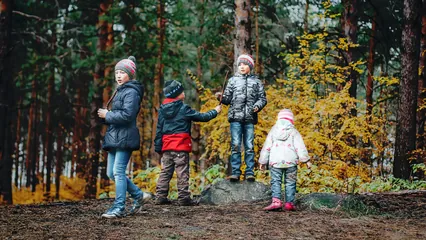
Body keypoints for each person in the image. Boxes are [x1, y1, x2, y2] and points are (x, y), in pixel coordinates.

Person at [97, 56, 151, 218]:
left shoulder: (132, 92)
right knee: (110, 173)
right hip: (115, 137)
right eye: (117, 72)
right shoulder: (121, 90)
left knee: (118, 172)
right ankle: (138, 195)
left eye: (122, 72)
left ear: (130, 74)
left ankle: (119, 207)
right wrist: (107, 117)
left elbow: (127, 115)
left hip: (125, 137)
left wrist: (108, 114)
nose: (118, 75)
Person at [154, 80, 222, 206]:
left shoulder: (162, 110)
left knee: (165, 172)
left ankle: (160, 196)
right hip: (180, 146)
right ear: (178, 94)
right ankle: (184, 198)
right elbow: (202, 117)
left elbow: (159, 130)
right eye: (182, 91)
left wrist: (158, 148)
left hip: (167, 147)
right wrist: (215, 111)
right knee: (182, 172)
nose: (184, 93)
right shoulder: (183, 108)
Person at [215, 54, 267, 182]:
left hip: (250, 118)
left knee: (249, 145)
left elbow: (263, 98)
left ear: (250, 66)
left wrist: (257, 106)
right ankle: (236, 172)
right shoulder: (232, 80)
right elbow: (227, 99)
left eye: (245, 64)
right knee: (236, 145)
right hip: (235, 118)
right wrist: (221, 97)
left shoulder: (256, 82)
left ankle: (250, 172)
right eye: (240, 64)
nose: (242, 67)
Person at [259, 109, 311, 211]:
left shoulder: (273, 131)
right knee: (290, 182)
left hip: (275, 161)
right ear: (291, 120)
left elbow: (266, 147)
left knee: (275, 181)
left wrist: (262, 162)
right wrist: (306, 160)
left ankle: (276, 202)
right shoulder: (294, 131)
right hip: (290, 162)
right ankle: (289, 203)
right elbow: (300, 147)